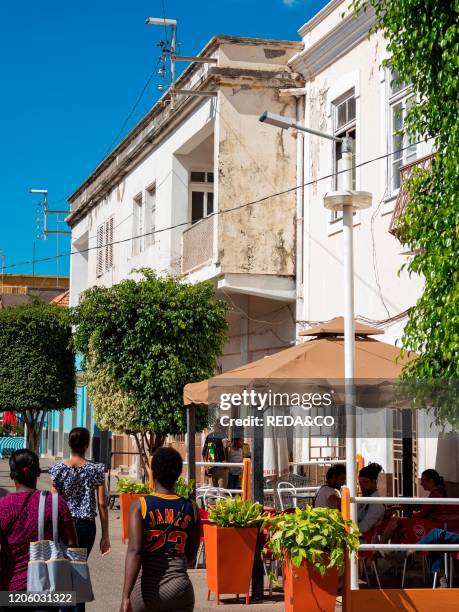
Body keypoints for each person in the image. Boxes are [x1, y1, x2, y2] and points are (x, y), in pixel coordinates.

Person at [120, 447, 200, 612]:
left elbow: (135, 551)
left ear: (153, 472)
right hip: (181, 589)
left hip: (147, 590)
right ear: (178, 475)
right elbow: (191, 558)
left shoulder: (140, 506)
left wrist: (125, 597)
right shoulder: (191, 507)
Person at [0, 449, 77, 611]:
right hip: (48, 588)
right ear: (38, 473)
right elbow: (73, 544)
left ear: (12, 475)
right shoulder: (55, 502)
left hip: (11, 589)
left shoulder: (3, 507)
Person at [49, 427, 111, 612]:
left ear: (69, 443)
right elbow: (101, 503)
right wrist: (105, 535)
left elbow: (53, 502)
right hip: (85, 526)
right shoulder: (96, 469)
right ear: (87, 445)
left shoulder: (58, 469)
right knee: (79, 568)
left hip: (63, 525)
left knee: (64, 569)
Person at [357, 463, 385, 535]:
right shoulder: (363, 500)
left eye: (365, 482)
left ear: (374, 482)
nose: (362, 486)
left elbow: (363, 528)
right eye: (360, 483)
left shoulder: (376, 505)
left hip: (367, 543)